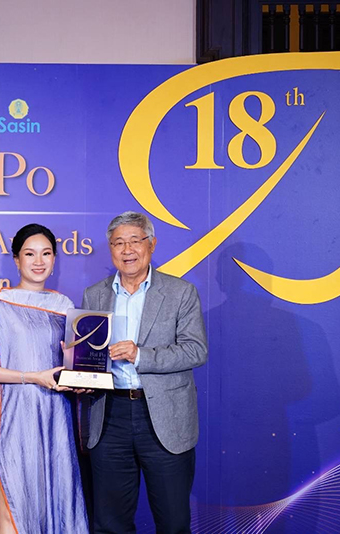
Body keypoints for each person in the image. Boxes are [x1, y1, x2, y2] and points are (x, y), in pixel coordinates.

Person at [81, 211, 208, 534]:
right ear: (110, 249)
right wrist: (82, 376)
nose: (127, 250)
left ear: (151, 244)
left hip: (164, 419)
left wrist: (140, 355)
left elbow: (196, 350)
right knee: (109, 524)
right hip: (109, 416)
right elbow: (89, 354)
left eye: (135, 241)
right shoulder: (94, 294)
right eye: (118, 243)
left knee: (173, 523)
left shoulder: (181, 292)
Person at [0, 223, 89, 534]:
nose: (39, 261)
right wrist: (33, 377)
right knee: (14, 507)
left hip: (55, 418)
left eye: (46, 253)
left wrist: (82, 379)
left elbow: (70, 365)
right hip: (10, 419)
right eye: (30, 254)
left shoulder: (64, 307)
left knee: (57, 503)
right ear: (17, 260)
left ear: (54, 259)